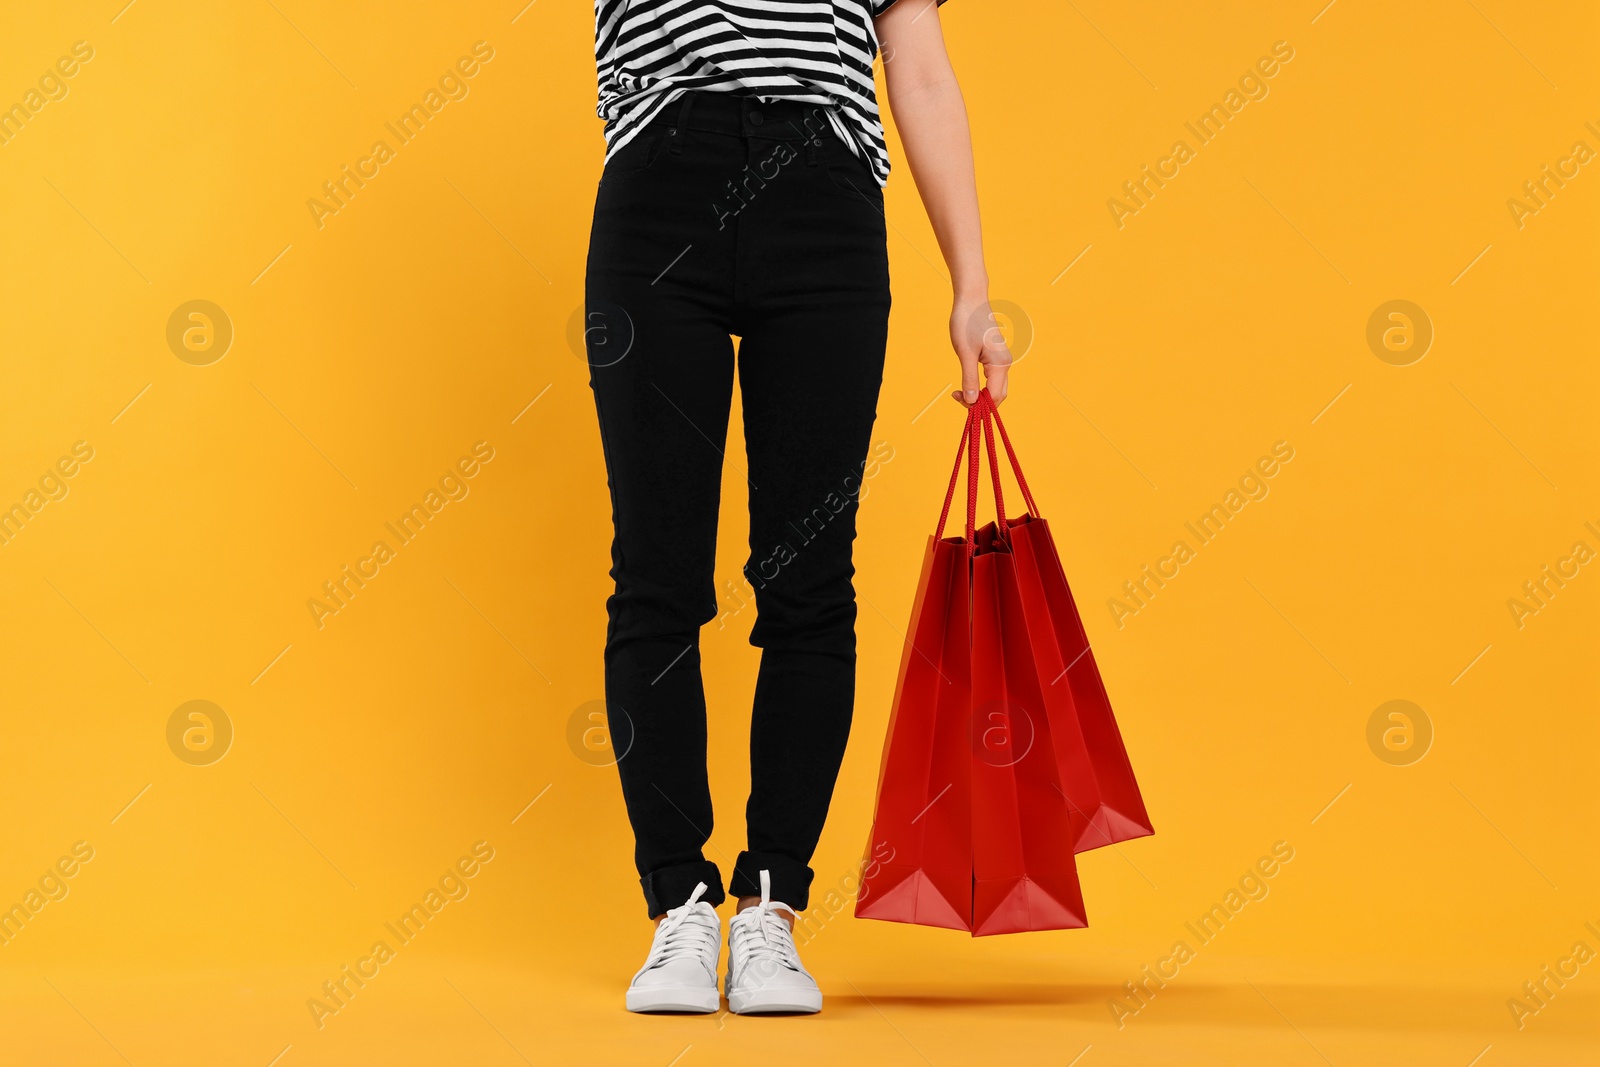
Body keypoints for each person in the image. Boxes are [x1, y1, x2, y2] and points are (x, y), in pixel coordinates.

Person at [584, 0, 1010, 1015]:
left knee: (809, 575)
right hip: (662, 189)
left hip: (824, 201)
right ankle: (678, 907)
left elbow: (919, 70)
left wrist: (971, 287)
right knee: (657, 571)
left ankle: (772, 905)